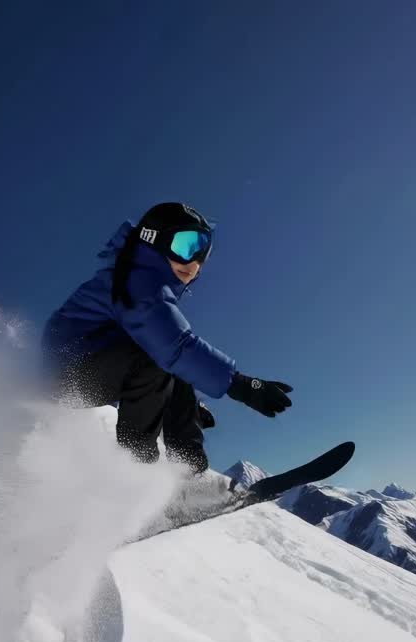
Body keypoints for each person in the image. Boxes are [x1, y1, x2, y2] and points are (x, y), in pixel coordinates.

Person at [41, 201, 294, 476]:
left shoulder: (139, 282)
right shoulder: (136, 283)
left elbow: (174, 354)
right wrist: (241, 385)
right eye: (186, 245)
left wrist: (187, 408)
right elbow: (175, 348)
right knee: (161, 359)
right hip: (64, 377)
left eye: (203, 253)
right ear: (153, 238)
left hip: (89, 369)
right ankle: (134, 473)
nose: (194, 262)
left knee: (173, 364)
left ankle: (188, 475)